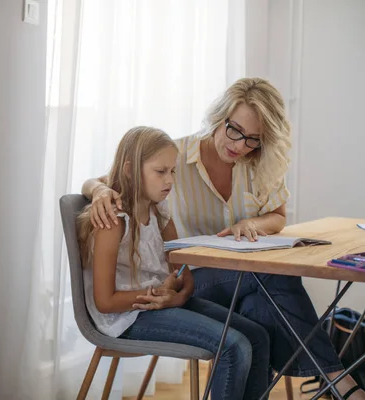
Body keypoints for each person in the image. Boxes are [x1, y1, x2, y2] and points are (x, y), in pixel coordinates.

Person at [82, 77, 365, 398]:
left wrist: (253, 223)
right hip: (198, 279)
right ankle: (338, 379)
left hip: (212, 283)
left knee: (260, 317)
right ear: (219, 117)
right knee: (268, 280)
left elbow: (278, 217)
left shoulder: (260, 163)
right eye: (235, 130)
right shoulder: (172, 157)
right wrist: (100, 190)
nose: (241, 145)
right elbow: (110, 178)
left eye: (253, 139)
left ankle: (329, 378)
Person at [77, 126, 271, 400]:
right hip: (126, 318)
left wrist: (177, 296)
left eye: (173, 171)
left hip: (160, 303)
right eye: (161, 171)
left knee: (258, 336)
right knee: (234, 346)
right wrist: (159, 295)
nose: (170, 180)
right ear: (131, 170)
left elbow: (183, 271)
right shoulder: (114, 221)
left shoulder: (159, 210)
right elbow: (104, 301)